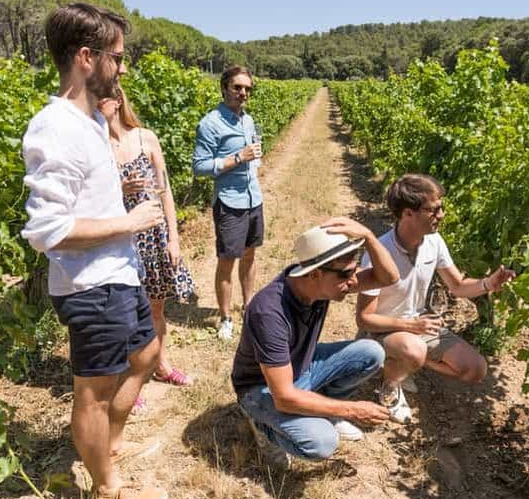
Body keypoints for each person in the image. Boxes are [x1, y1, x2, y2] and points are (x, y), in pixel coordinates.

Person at [21, 3, 167, 499]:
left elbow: (79, 194)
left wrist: (116, 186)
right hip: (93, 286)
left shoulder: (87, 123)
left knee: (147, 355)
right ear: (87, 57)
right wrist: (129, 221)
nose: (123, 68)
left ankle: (107, 445)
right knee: (94, 393)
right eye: (118, 57)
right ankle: (108, 489)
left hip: (118, 274)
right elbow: (48, 229)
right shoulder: (55, 126)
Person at [231, 217, 400, 468]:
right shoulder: (269, 312)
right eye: (346, 273)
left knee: (371, 352)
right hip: (261, 388)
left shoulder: (324, 284)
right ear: (315, 273)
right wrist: (350, 409)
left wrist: (369, 235)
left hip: (300, 366)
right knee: (321, 443)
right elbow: (284, 397)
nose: (353, 281)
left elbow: (388, 278)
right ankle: (262, 425)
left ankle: (320, 408)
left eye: (354, 270)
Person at [355, 174, 515, 424]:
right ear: (408, 214)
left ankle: (409, 362)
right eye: (433, 210)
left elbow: (458, 285)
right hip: (381, 331)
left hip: (418, 327)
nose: (441, 215)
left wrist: (488, 284)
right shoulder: (380, 254)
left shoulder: (434, 242)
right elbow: (365, 319)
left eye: (441, 208)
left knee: (476, 369)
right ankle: (391, 383)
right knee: (414, 350)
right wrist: (411, 327)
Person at [98, 86, 196, 412]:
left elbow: (165, 191)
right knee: (127, 316)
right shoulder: (96, 147)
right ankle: (132, 378)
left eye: (109, 95)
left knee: (156, 309)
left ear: (120, 98)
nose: (104, 102)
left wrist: (174, 237)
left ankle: (161, 364)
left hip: (154, 236)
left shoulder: (145, 138)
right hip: (122, 239)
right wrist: (118, 187)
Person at [192, 66, 264, 340]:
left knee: (250, 254)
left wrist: (255, 160)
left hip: (253, 197)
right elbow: (199, 167)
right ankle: (225, 318)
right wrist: (237, 158)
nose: (243, 93)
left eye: (247, 88)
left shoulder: (248, 120)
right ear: (224, 88)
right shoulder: (210, 123)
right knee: (227, 261)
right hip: (229, 202)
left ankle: (249, 306)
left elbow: (254, 151)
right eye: (237, 87)